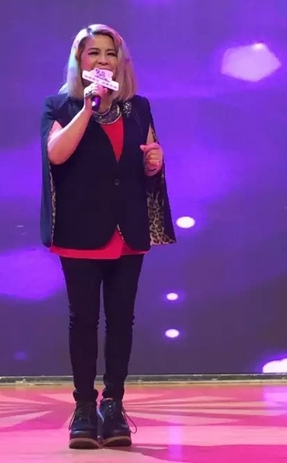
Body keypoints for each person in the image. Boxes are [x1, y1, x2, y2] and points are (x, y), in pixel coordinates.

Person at [40, 24, 175, 449]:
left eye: (110, 53)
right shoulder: (59, 105)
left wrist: (154, 163)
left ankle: (113, 405)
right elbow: (56, 153)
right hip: (80, 232)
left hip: (127, 230)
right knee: (83, 320)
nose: (102, 60)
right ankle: (84, 407)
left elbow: (145, 161)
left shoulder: (139, 108)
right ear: (79, 61)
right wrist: (89, 107)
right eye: (93, 53)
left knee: (121, 321)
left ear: (121, 62)